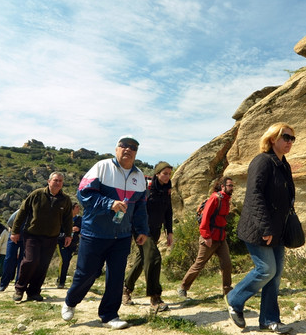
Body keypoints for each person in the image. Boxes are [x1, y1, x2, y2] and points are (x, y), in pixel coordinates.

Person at [62, 135, 149, 330]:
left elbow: (141, 207)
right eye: (124, 145)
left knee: (117, 276)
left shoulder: (140, 177)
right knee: (87, 274)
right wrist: (110, 204)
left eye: (133, 147)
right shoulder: (101, 167)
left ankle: (109, 315)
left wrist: (141, 230)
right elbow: (83, 193)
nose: (128, 149)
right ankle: (70, 301)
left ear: (136, 152)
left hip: (122, 236)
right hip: (95, 233)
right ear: (116, 148)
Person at [224, 122, 296, 334]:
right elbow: (254, 196)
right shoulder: (262, 161)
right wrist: (266, 228)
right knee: (266, 269)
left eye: (292, 139)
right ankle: (234, 299)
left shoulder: (284, 165)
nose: (289, 142)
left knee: (275, 276)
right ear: (273, 138)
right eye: (285, 137)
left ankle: (268, 320)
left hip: (278, 230)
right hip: (259, 228)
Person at [10, 172, 73, 302]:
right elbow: (22, 212)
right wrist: (15, 231)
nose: (58, 183)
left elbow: (68, 219)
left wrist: (68, 235)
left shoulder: (65, 199)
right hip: (32, 235)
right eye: (55, 180)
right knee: (30, 261)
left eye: (60, 181)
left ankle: (34, 292)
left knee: (43, 265)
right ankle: (19, 289)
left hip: (51, 237)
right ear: (48, 181)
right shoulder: (36, 194)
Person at [123, 161, 174, 311]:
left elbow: (168, 211)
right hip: (142, 230)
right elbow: (136, 208)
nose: (167, 176)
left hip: (156, 230)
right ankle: (155, 297)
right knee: (154, 257)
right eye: (164, 173)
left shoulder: (167, 189)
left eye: (169, 174)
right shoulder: (146, 188)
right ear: (157, 174)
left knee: (143, 259)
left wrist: (169, 231)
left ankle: (126, 288)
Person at [177, 176, 234, 298]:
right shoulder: (215, 199)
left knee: (227, 263)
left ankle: (227, 290)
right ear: (223, 186)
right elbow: (205, 219)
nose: (232, 188)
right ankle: (183, 287)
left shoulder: (226, 200)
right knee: (199, 264)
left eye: (232, 186)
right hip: (210, 237)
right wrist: (206, 236)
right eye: (230, 185)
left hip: (221, 237)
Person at [56, 203, 82, 289]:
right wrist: (69, 229)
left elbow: (84, 230)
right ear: (72, 209)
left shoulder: (80, 219)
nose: (79, 208)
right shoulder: (63, 218)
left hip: (73, 244)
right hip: (61, 242)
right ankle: (61, 281)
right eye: (77, 207)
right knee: (64, 260)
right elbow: (57, 230)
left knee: (67, 261)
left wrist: (79, 229)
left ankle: (61, 279)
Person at [0, 210, 25, 292]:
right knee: (9, 259)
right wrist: (14, 233)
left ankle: (18, 284)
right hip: (14, 235)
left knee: (23, 261)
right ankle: (3, 284)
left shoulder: (37, 212)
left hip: (26, 237)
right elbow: (10, 222)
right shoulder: (20, 211)